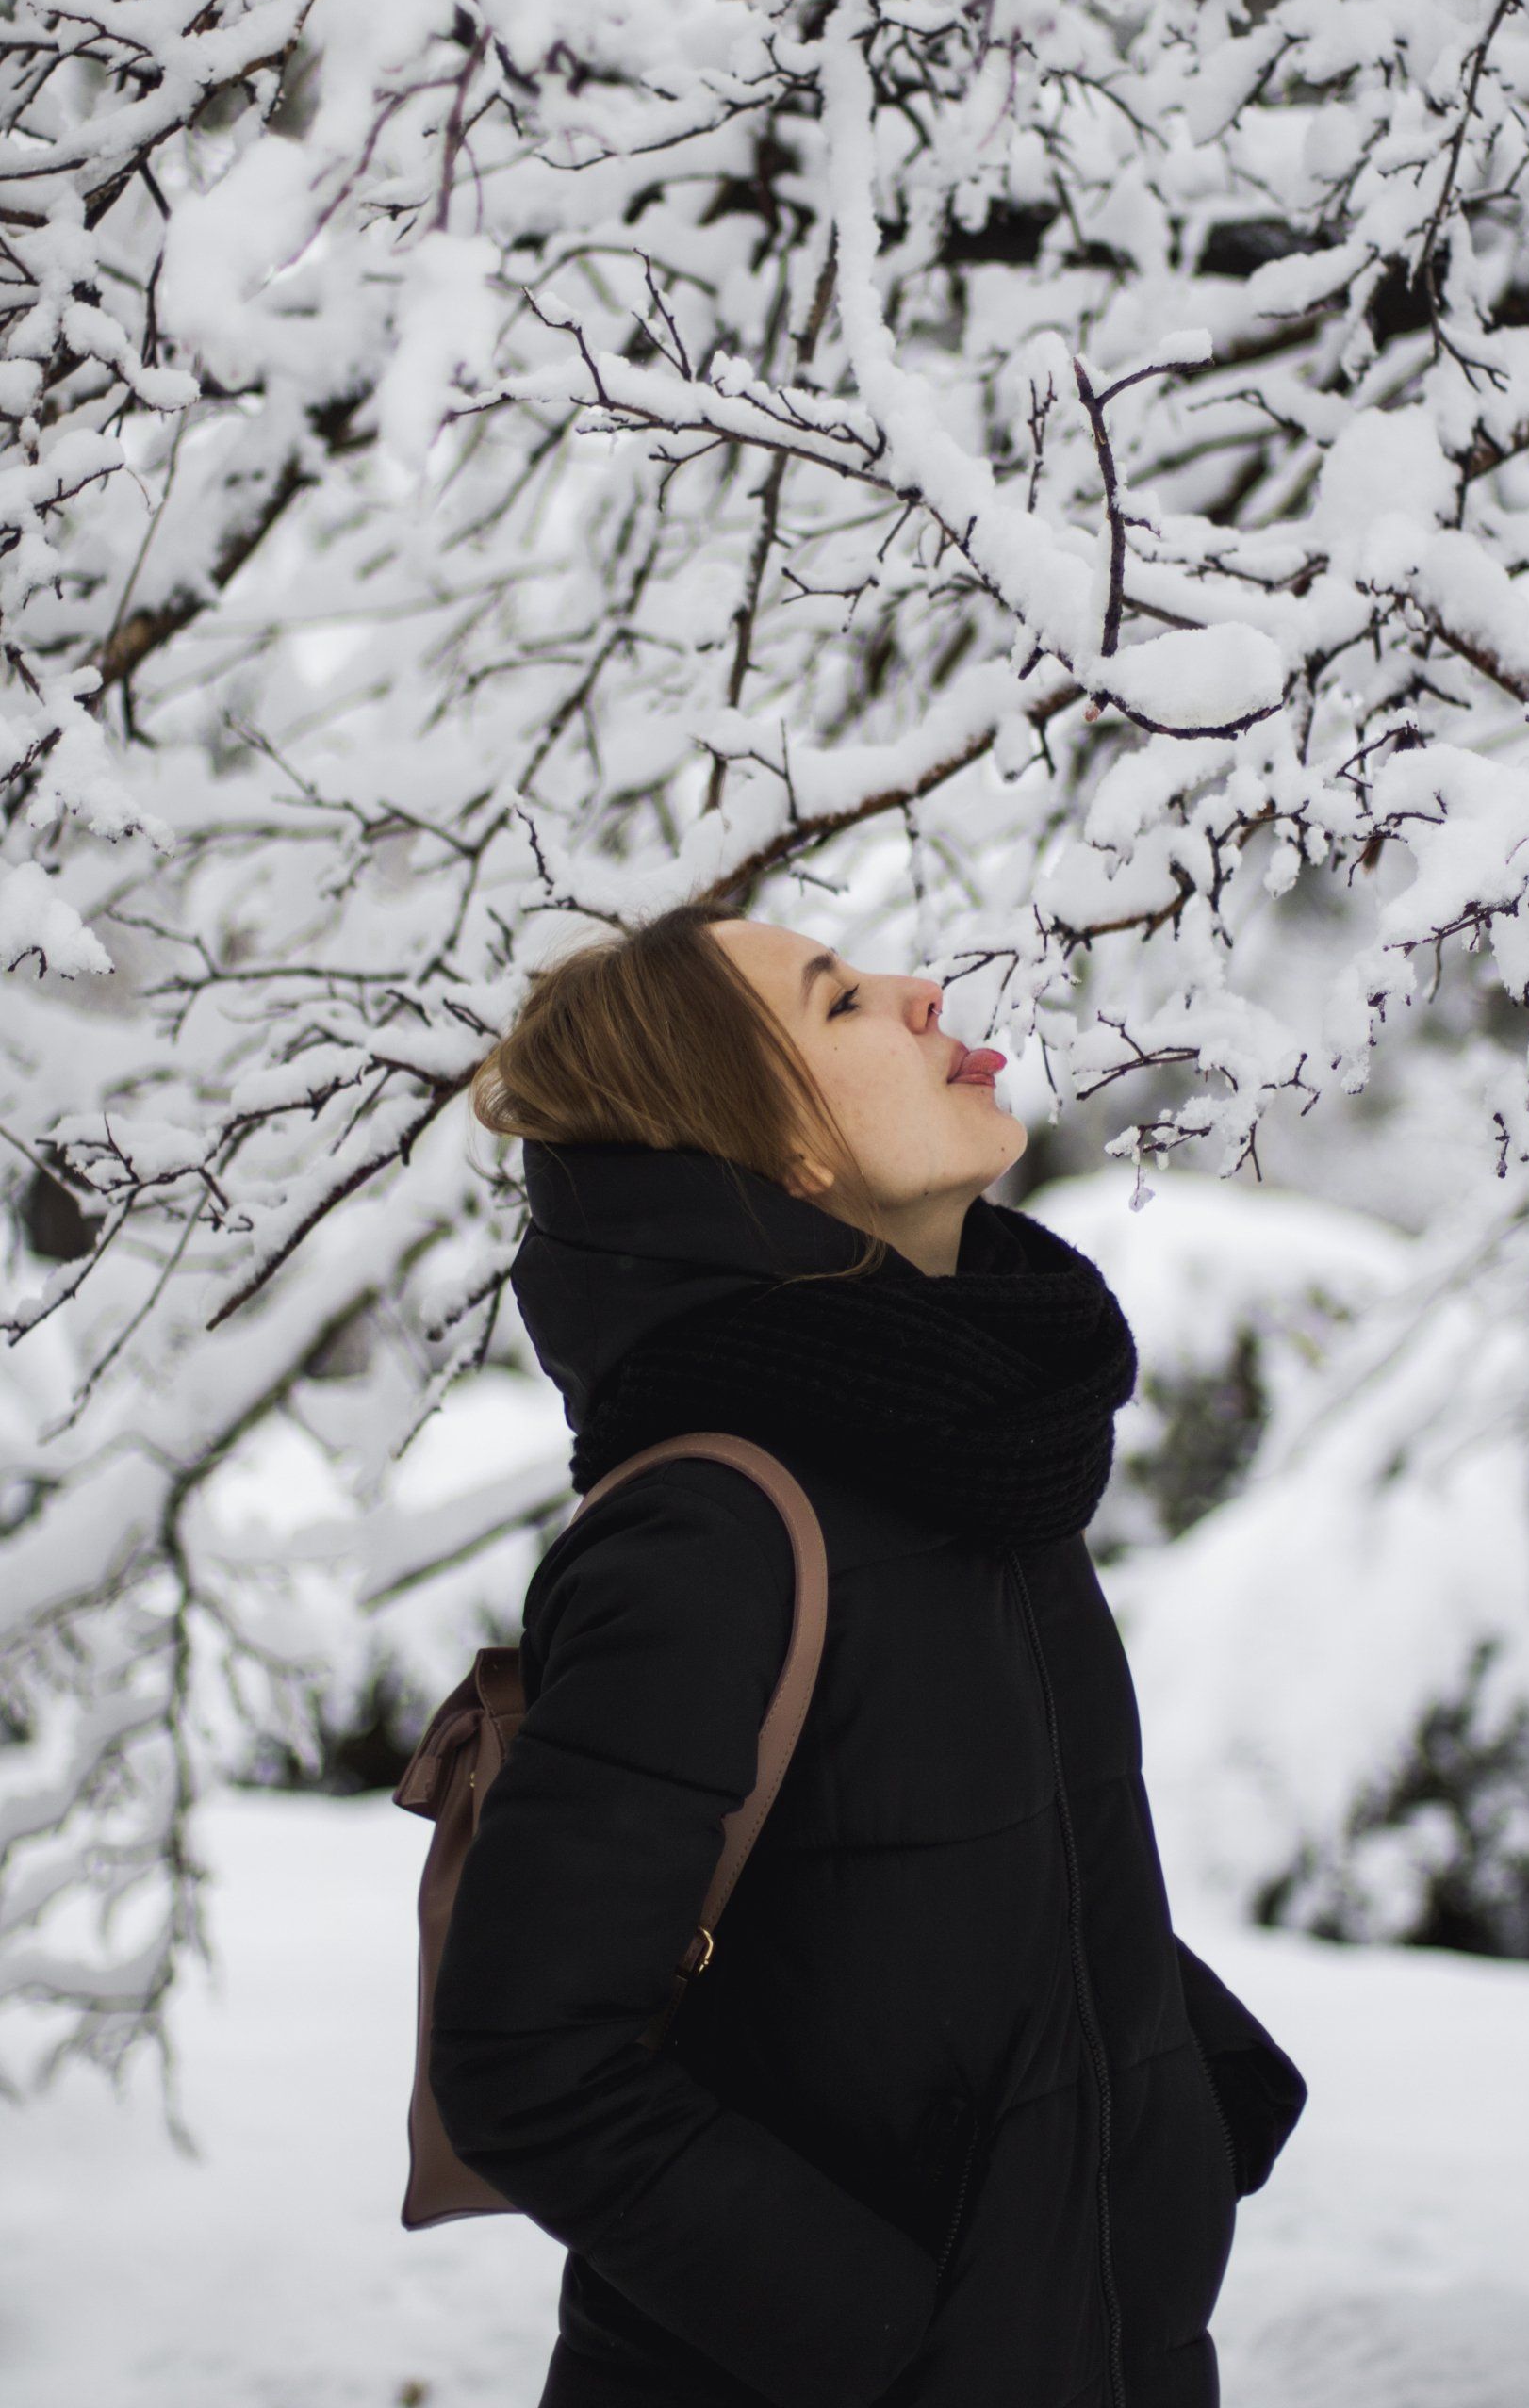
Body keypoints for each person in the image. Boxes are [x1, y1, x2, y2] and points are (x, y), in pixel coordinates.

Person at [430, 899, 1307, 2408]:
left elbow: (951, 1878)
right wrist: (897, 2343)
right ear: (782, 1157)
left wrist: (1181, 2086)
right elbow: (524, 2061)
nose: (918, 994)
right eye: (838, 1007)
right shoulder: (716, 1526)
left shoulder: (971, 1452)